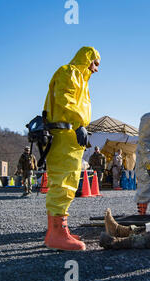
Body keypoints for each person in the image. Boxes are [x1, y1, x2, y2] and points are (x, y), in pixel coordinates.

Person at [43, 46, 101, 251]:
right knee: (63, 182)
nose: (96, 69)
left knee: (68, 181)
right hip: (64, 134)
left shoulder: (81, 79)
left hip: (71, 135)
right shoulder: (71, 72)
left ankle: (55, 231)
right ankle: (57, 234)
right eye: (94, 63)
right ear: (87, 58)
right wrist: (78, 123)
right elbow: (64, 99)